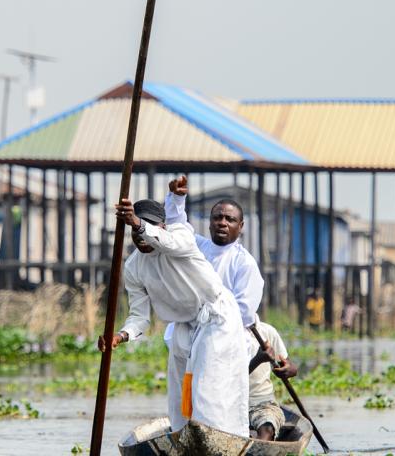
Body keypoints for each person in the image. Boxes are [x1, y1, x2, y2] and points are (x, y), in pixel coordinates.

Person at [97, 197, 249, 436]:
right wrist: (121, 335)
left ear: (163, 226)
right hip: (183, 325)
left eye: (148, 227)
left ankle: (222, 438)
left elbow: (165, 240)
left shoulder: (180, 237)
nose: (140, 237)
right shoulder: (133, 267)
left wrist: (137, 223)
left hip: (216, 317)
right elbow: (140, 316)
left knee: (208, 391)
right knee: (179, 394)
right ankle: (184, 440)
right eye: (135, 232)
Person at [164, 175, 264, 329]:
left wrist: (207, 317)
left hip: (225, 338)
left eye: (230, 219)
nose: (222, 223)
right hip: (189, 333)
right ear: (210, 223)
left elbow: (244, 313)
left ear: (241, 226)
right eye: (217, 218)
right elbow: (177, 230)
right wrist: (177, 199)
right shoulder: (197, 247)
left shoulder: (244, 263)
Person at [248, 321, 298, 441]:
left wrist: (288, 370)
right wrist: (257, 360)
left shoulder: (267, 331)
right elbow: (231, 379)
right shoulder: (223, 333)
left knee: (267, 429)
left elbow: (289, 365)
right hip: (229, 403)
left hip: (261, 403)